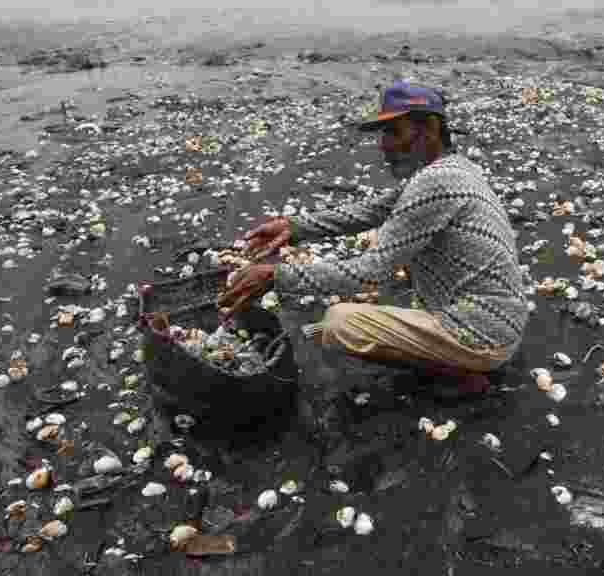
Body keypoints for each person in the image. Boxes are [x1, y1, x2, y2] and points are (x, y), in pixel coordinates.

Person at [218, 80, 530, 396]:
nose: (383, 144)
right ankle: (456, 352)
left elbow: (372, 271)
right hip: (496, 319)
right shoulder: (454, 169)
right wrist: (294, 228)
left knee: (341, 324)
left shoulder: (437, 181)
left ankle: (463, 374)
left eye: (394, 132)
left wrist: (276, 276)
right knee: (394, 240)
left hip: (485, 333)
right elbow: (371, 210)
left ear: (430, 130)